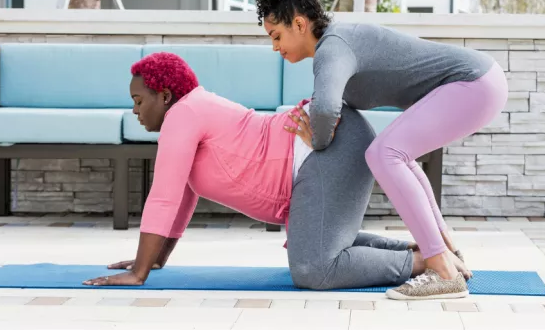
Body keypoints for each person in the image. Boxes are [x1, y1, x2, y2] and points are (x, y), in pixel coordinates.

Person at [82, 51, 433, 293]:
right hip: (329, 144)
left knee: (313, 269)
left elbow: (163, 195)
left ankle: (422, 263)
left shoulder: (183, 115)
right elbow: (181, 199)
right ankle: (424, 252)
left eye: (140, 100)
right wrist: (156, 259)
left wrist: (138, 273)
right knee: (315, 246)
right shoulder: (191, 110)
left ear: (166, 96)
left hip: (326, 143)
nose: (135, 110)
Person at [256, 0, 508, 300]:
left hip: (472, 84)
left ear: (300, 25)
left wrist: (315, 139)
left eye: (276, 36)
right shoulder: (339, 42)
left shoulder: (333, 48)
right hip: (481, 82)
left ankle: (443, 272)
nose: (275, 47)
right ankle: (446, 250)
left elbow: (325, 108)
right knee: (397, 155)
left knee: (383, 153)